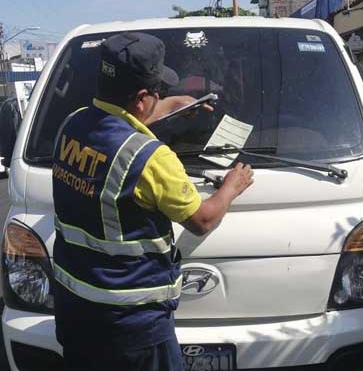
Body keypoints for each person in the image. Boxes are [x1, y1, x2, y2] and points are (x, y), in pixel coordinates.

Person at [52, 32, 255, 371]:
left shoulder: (71, 126)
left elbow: (120, 119)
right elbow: (202, 219)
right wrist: (232, 186)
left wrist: (175, 104)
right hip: (133, 330)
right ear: (142, 98)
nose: (161, 96)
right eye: (158, 91)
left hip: (76, 314)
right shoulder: (149, 159)